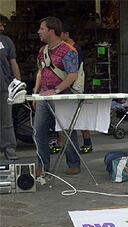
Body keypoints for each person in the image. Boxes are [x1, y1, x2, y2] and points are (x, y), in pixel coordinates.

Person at [33, 17, 80, 176]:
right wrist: (35, 92)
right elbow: (41, 72)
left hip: (62, 94)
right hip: (43, 95)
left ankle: (73, 163)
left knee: (66, 130)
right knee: (39, 130)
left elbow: (73, 75)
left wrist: (57, 90)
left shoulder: (68, 50)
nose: (39, 32)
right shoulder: (42, 51)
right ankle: (42, 165)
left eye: (42, 29)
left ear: (51, 31)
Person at [61, 22, 93, 153]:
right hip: (67, 84)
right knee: (66, 115)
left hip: (75, 85)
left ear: (66, 34)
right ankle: (65, 143)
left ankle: (87, 143)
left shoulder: (75, 49)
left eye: (60, 33)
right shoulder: (63, 47)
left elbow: (75, 70)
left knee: (79, 114)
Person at [0, 14, 21, 160]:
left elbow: (13, 63)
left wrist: (18, 83)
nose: (2, 28)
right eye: (0, 25)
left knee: (7, 120)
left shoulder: (6, 41)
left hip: (4, 85)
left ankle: (9, 148)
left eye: (3, 25)